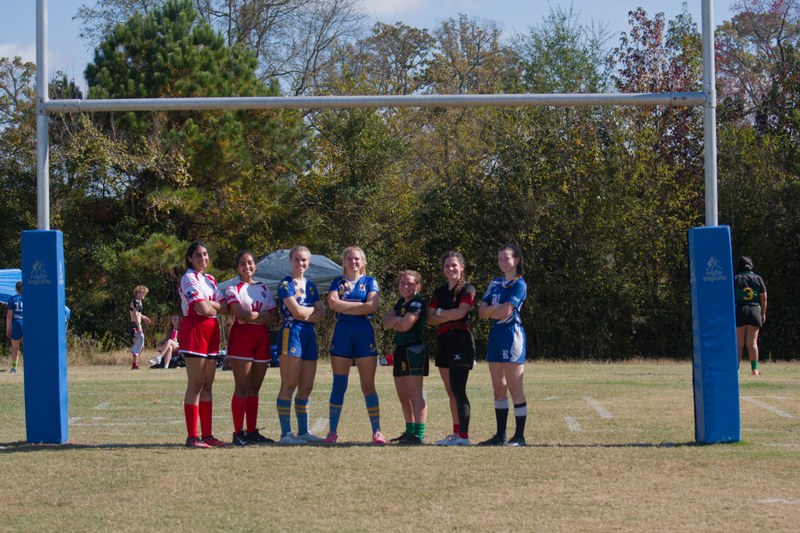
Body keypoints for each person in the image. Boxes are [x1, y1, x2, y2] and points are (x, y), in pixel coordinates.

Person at [325, 246, 385, 445]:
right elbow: (332, 304)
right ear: (343, 262)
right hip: (342, 334)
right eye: (349, 259)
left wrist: (345, 305)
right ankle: (332, 431)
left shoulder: (369, 281)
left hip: (363, 333)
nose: (353, 262)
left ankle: (377, 431)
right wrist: (361, 308)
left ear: (363, 261)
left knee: (368, 385)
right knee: (339, 384)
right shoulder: (338, 281)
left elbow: (373, 306)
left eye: (357, 259)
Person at [225, 250, 279, 446]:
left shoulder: (264, 288)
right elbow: (241, 314)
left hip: (261, 338)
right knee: (242, 387)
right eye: (242, 264)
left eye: (250, 263)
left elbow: (275, 317)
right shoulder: (233, 288)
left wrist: (252, 315)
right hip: (242, 337)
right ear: (237, 268)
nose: (247, 266)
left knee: (254, 388)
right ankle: (238, 432)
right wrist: (259, 314)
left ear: (255, 265)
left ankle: (252, 431)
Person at [477, 243, 529, 446]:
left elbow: (506, 312)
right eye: (499, 259)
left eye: (506, 258)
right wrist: (493, 309)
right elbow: (481, 312)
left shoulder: (519, 284)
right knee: (498, 389)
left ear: (516, 260)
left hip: (511, 335)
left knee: (515, 388)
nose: (502, 262)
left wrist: (493, 308)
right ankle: (500, 435)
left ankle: (519, 436)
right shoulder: (495, 283)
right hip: (496, 335)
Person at [178, 241, 228, 448]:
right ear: (190, 258)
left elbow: (223, 308)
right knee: (196, 384)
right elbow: (201, 309)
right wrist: (213, 306)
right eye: (198, 255)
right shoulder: (188, 278)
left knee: (208, 385)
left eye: (206, 254)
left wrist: (213, 305)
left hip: (211, 332)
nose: (203, 258)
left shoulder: (210, 279)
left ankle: (207, 435)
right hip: (195, 331)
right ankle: (192, 437)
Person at [275, 246, 326, 444]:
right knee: (289, 384)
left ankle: (303, 431)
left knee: (306, 386)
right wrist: (312, 310)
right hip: (291, 333)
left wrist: (308, 312)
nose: (300, 263)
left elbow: (322, 314)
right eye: (297, 260)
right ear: (290, 261)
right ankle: (286, 434)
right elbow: (297, 313)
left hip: (308, 335)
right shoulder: (285, 284)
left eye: (304, 260)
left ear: (309, 262)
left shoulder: (311, 286)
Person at [427, 251, 476, 446]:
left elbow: (461, 312)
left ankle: (464, 436)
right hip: (443, 341)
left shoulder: (468, 288)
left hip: (461, 341)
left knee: (458, 389)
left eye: (454, 265)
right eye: (447, 266)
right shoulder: (439, 291)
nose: (451, 269)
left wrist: (441, 313)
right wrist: (449, 314)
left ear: (462, 267)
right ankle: (456, 433)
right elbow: (429, 319)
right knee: (450, 391)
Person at [382, 270, 428, 445]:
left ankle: (419, 434)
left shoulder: (417, 303)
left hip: (414, 350)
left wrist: (396, 320)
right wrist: (396, 320)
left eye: (409, 283)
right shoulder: (401, 302)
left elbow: (404, 325)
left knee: (415, 394)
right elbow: (387, 323)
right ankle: (409, 431)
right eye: (402, 283)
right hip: (400, 350)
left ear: (417, 285)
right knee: (403, 395)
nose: (405, 286)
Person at [734, 256, 767, 376]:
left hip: (740, 310)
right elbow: (764, 298)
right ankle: (755, 370)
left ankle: (735, 369)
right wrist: (763, 314)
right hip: (754, 310)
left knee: (739, 343)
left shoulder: (736, 279)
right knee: (752, 343)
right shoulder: (758, 278)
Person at [129, 285, 152, 369]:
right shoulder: (135, 301)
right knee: (138, 346)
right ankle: (135, 365)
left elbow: (138, 313)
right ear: (138, 292)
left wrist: (144, 317)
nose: (144, 295)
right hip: (134, 326)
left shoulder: (139, 301)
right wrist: (139, 326)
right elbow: (135, 314)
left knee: (141, 347)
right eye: (143, 293)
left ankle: (136, 364)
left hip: (138, 325)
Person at [5, 281, 23, 373]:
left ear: (16, 289)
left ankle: (14, 368)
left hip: (16, 324)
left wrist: (8, 328)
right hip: (27, 324)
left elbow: (9, 316)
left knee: (15, 348)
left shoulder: (12, 299)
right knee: (29, 348)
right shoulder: (29, 298)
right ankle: (32, 366)